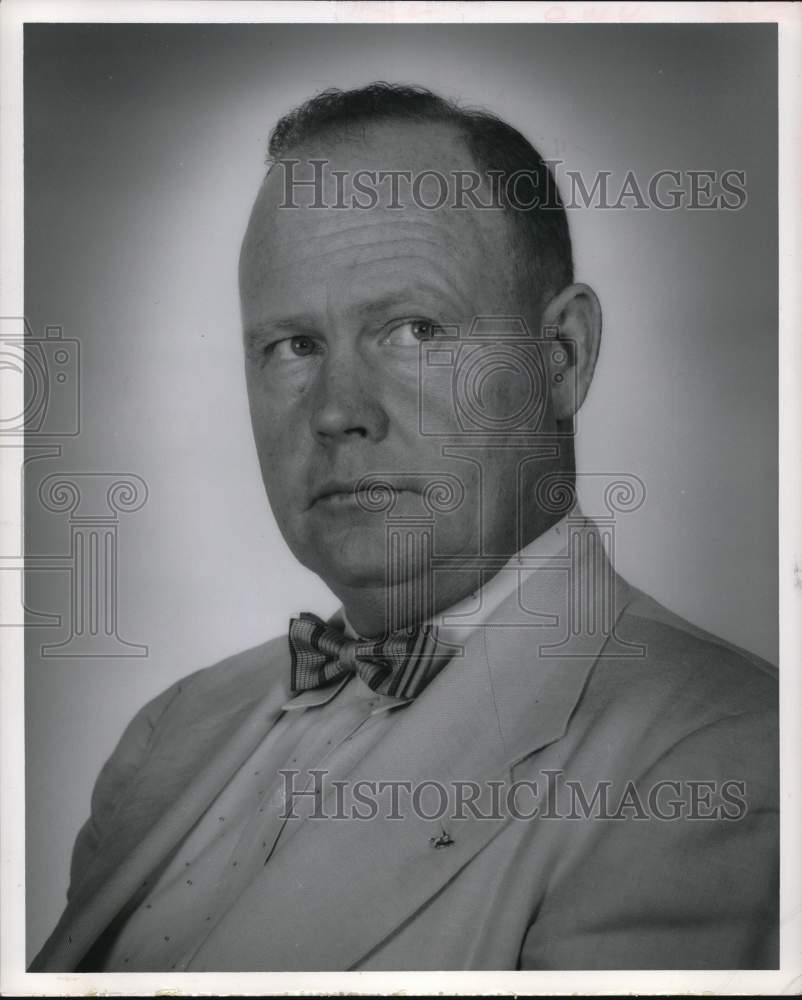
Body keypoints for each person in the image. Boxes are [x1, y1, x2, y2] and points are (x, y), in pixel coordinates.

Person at [31, 83, 778, 972]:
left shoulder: (723, 755)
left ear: (562, 357)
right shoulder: (171, 729)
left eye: (414, 330)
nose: (339, 411)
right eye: (292, 347)